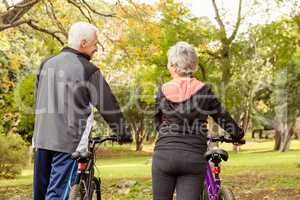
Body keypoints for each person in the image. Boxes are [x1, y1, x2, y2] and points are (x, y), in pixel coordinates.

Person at [33, 22, 132, 200]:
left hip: (41, 139)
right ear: (84, 43)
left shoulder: (45, 64)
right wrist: (123, 132)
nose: (96, 49)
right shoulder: (87, 70)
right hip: (68, 142)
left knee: (40, 194)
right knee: (57, 194)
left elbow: (38, 99)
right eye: (95, 44)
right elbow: (108, 104)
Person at [152, 41, 244, 200]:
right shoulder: (204, 90)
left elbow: (157, 122)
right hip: (193, 157)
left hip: (164, 155)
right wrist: (238, 135)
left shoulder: (162, 90)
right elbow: (222, 116)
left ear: (173, 66)